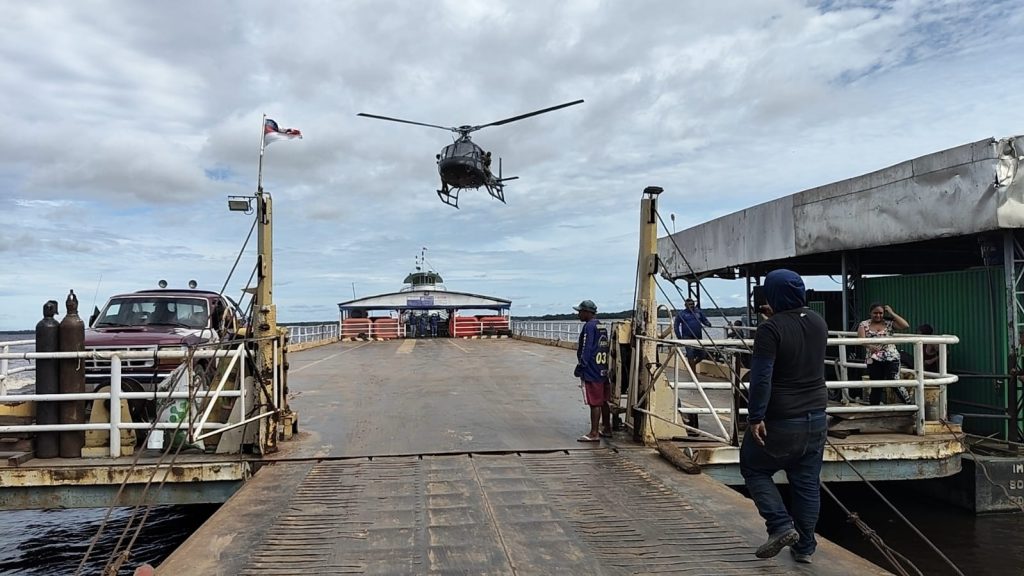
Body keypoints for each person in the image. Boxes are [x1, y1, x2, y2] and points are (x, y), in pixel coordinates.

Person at [740, 269, 829, 564]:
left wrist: (755, 417)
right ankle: (804, 548)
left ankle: (779, 525)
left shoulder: (770, 330)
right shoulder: (818, 322)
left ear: (772, 295)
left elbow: (762, 378)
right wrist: (776, 315)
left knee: (754, 467)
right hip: (816, 417)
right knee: (806, 482)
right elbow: (797, 340)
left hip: (781, 419)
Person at [573, 299, 611, 442]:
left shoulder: (589, 327)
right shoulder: (601, 326)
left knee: (594, 402)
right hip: (602, 368)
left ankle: (594, 433)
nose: (578, 314)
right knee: (604, 400)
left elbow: (586, 348)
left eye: (580, 312)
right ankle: (607, 428)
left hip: (592, 370)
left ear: (587, 312)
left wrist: (581, 366)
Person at [858, 303, 911, 405]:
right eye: (875, 313)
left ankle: (909, 405)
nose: (878, 315)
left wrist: (892, 313)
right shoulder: (864, 324)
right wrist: (870, 346)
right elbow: (861, 339)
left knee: (894, 381)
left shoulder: (889, 323)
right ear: (870, 313)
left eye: (880, 313)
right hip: (873, 358)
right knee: (876, 384)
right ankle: (875, 409)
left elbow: (905, 325)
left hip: (891, 357)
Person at [674, 298, 712, 373]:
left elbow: (704, 320)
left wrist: (708, 324)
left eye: (692, 304)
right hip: (687, 337)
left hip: (698, 336)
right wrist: (679, 336)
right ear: (685, 305)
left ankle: (692, 365)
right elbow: (676, 326)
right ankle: (693, 373)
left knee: (702, 354)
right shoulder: (681, 314)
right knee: (690, 354)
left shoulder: (698, 312)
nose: (691, 306)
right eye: (689, 304)